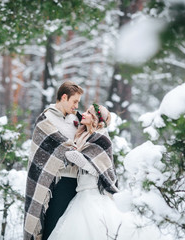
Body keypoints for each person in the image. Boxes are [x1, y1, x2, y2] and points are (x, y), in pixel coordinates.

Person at [48, 104, 165, 240]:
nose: (83, 114)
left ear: (96, 119)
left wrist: (82, 161)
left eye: (89, 112)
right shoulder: (84, 135)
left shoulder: (102, 138)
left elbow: (101, 170)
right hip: (81, 192)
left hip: (93, 193)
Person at [24, 81, 84, 240]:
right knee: (51, 226)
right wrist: (75, 149)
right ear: (64, 97)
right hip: (53, 183)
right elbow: (55, 144)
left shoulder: (78, 119)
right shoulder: (46, 118)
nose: (77, 106)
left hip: (76, 182)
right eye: (74, 101)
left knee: (68, 229)